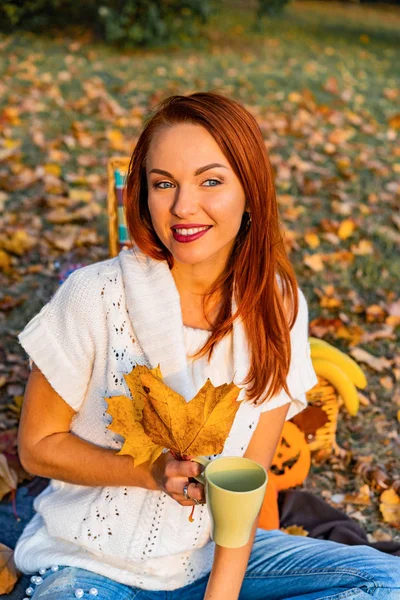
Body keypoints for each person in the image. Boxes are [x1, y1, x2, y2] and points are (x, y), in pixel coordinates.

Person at [15, 92, 399, 600]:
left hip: (208, 561)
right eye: (163, 184)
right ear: (143, 194)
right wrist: (149, 471)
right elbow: (37, 446)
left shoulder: (278, 305)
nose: (182, 207)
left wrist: (221, 594)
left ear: (250, 191)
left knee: (383, 581)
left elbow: (250, 478)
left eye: (210, 181)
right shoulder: (96, 295)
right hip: (88, 568)